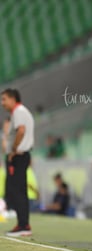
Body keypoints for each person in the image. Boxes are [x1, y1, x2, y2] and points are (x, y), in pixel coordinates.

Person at [1, 88, 34, 237]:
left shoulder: (19, 111)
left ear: (13, 99)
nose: (2, 103)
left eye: (4, 99)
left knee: (17, 191)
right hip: (21, 155)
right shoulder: (20, 111)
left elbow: (21, 130)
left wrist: (14, 149)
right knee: (18, 190)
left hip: (18, 156)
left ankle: (23, 225)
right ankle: (22, 224)